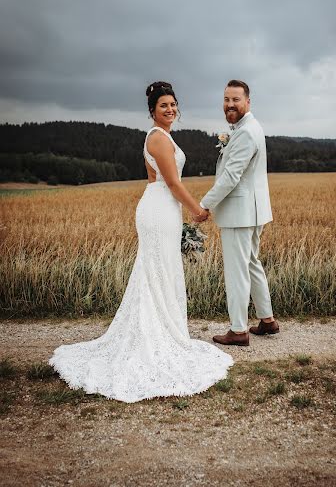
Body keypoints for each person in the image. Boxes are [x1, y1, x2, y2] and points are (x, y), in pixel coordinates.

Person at [49, 82, 233, 402]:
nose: (171, 109)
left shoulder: (165, 136)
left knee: (159, 270)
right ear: (152, 111)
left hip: (164, 210)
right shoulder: (157, 137)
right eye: (164, 105)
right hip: (159, 209)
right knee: (156, 270)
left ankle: (161, 331)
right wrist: (197, 210)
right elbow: (172, 183)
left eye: (174, 104)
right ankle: (153, 337)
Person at [200, 80, 279, 346]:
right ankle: (267, 320)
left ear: (248, 101)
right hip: (251, 211)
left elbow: (231, 176)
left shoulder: (245, 132)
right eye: (226, 99)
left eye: (235, 99)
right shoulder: (248, 128)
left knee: (237, 271)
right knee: (252, 263)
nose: (230, 104)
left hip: (240, 213)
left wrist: (205, 203)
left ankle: (238, 330)